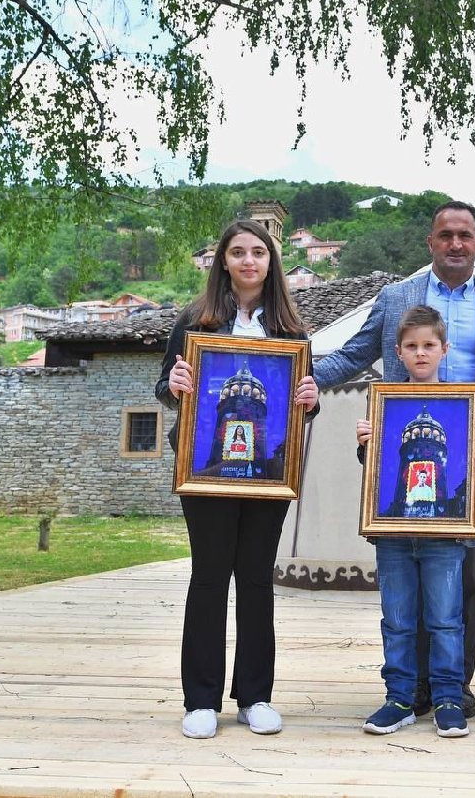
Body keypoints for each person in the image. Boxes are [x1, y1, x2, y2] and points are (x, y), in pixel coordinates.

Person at [314, 201, 475, 718]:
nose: (456, 243)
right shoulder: (397, 299)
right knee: (406, 576)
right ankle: (408, 688)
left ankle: (452, 687)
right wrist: (300, 381)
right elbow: (353, 354)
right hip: (401, 453)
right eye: (446, 235)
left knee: (467, 579)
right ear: (431, 243)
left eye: (465, 235)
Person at [156, 218, 321, 740]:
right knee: (208, 578)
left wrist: (309, 401)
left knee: (255, 580)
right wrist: (175, 382)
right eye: (238, 252)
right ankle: (200, 698)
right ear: (223, 261)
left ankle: (255, 695)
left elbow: (301, 404)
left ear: (271, 263)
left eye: (258, 252)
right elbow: (165, 385)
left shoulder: (290, 331)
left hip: (269, 472)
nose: (249, 261)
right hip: (205, 466)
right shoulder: (194, 320)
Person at [356, 306, 475, 738]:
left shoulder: (465, 403)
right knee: (397, 617)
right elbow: (375, 469)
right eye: (412, 346)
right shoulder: (384, 401)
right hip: (394, 531)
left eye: (429, 345)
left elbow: (465, 470)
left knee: (445, 618)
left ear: (444, 349)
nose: (421, 353)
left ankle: (448, 697)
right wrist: (367, 443)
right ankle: (398, 697)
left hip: (444, 531)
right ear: (398, 352)